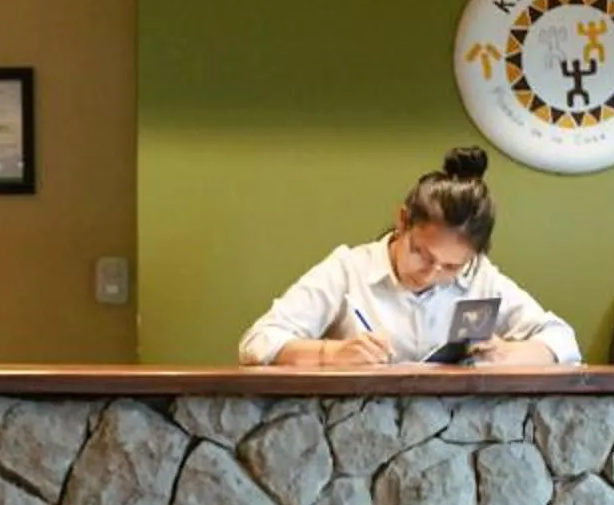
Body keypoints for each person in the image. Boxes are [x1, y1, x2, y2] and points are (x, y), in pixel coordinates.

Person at [237, 146, 582, 368]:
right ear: (403, 221)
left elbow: (562, 340)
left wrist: (511, 354)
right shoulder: (349, 270)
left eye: (451, 266)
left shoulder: (480, 277)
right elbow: (258, 342)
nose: (431, 273)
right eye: (421, 253)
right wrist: (332, 354)